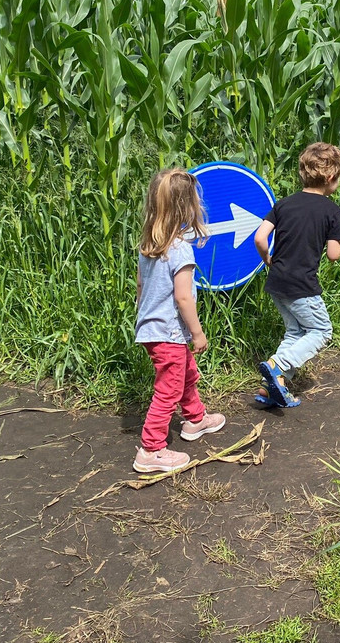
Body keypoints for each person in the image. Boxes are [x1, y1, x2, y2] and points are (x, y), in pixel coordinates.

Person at [133, 168, 226, 473]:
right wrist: (197, 333)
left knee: (186, 374)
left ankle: (195, 419)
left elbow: (141, 288)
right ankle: (151, 449)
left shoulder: (149, 247)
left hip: (152, 330)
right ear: (188, 207)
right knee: (168, 389)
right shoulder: (180, 249)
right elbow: (183, 297)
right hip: (170, 332)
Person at [253, 142, 340, 408]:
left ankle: (272, 387)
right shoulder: (331, 211)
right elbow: (333, 255)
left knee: (295, 332)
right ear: (330, 178)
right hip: (302, 286)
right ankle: (276, 365)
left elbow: (260, 237)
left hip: (276, 282)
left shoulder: (283, 204)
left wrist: (267, 259)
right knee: (321, 331)